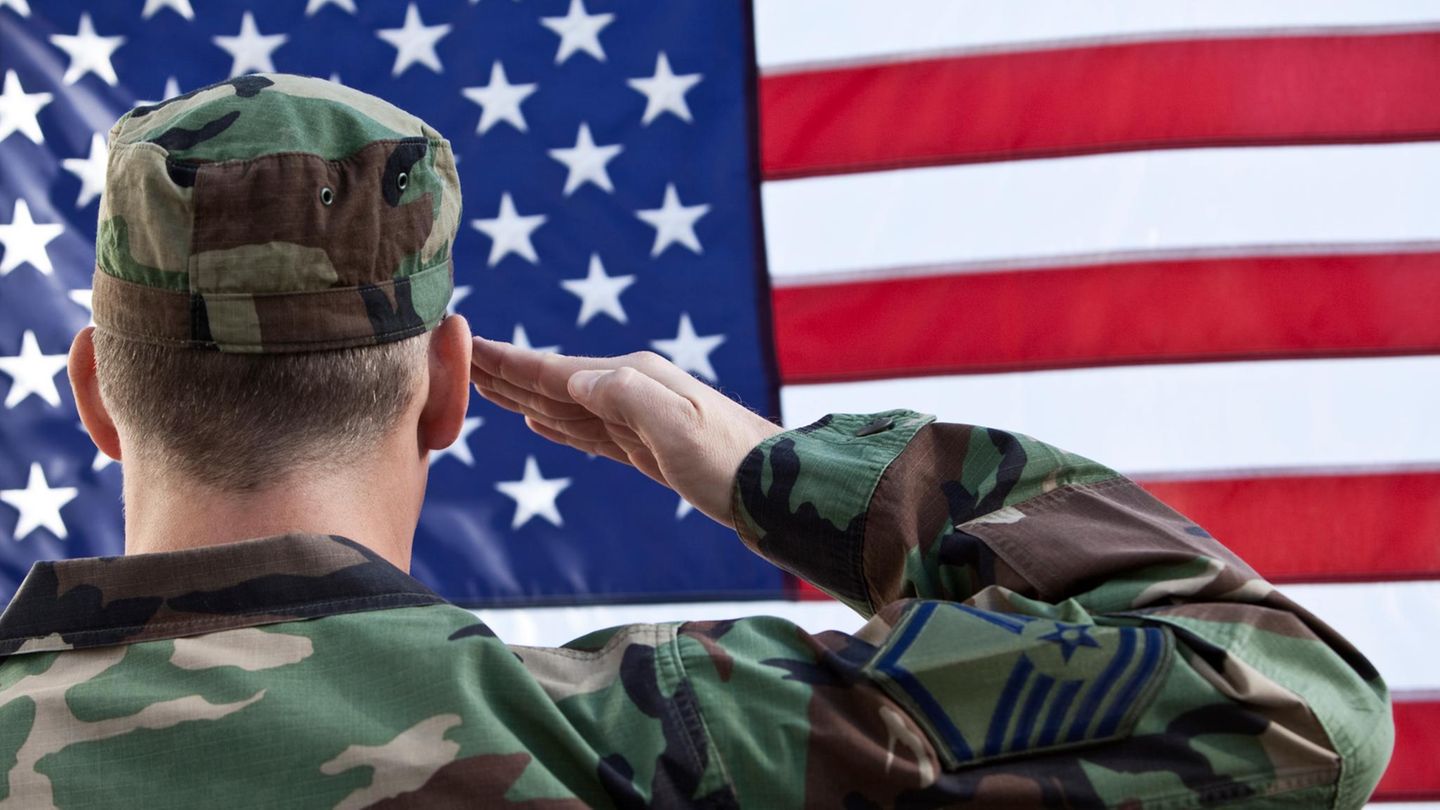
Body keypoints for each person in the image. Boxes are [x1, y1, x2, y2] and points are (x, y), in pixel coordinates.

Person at [0, 75, 1390, 808]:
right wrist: (772, 471)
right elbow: (1287, 699)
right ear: (446, 385)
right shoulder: (674, 744)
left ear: (93, 392)